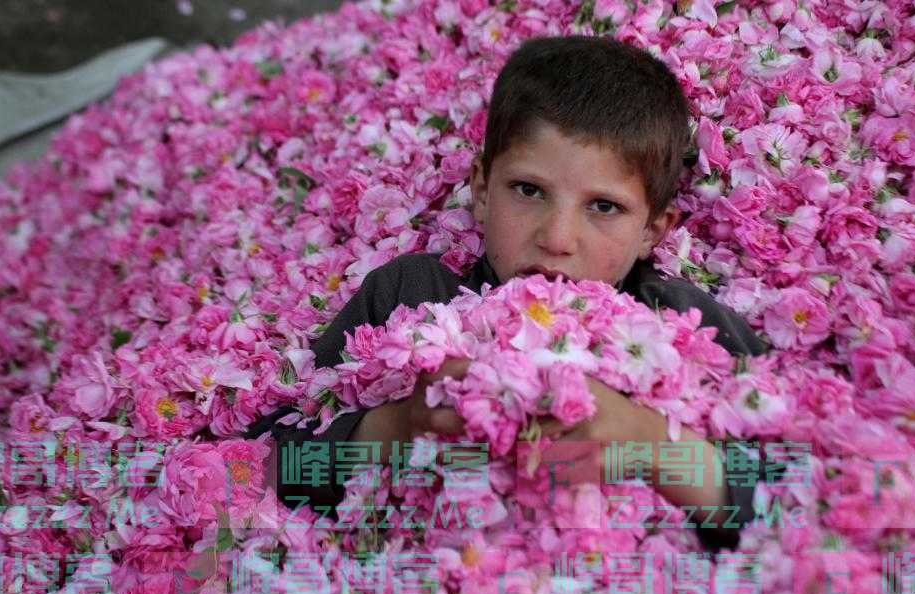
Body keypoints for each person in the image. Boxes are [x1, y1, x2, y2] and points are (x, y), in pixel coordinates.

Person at [245, 35, 772, 552]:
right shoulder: (409, 294)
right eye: (528, 190)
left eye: (604, 207)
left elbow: (797, 500)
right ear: (481, 190)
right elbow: (261, 467)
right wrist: (396, 427)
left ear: (652, 231)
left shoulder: (684, 326)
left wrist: (651, 442)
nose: (557, 238)